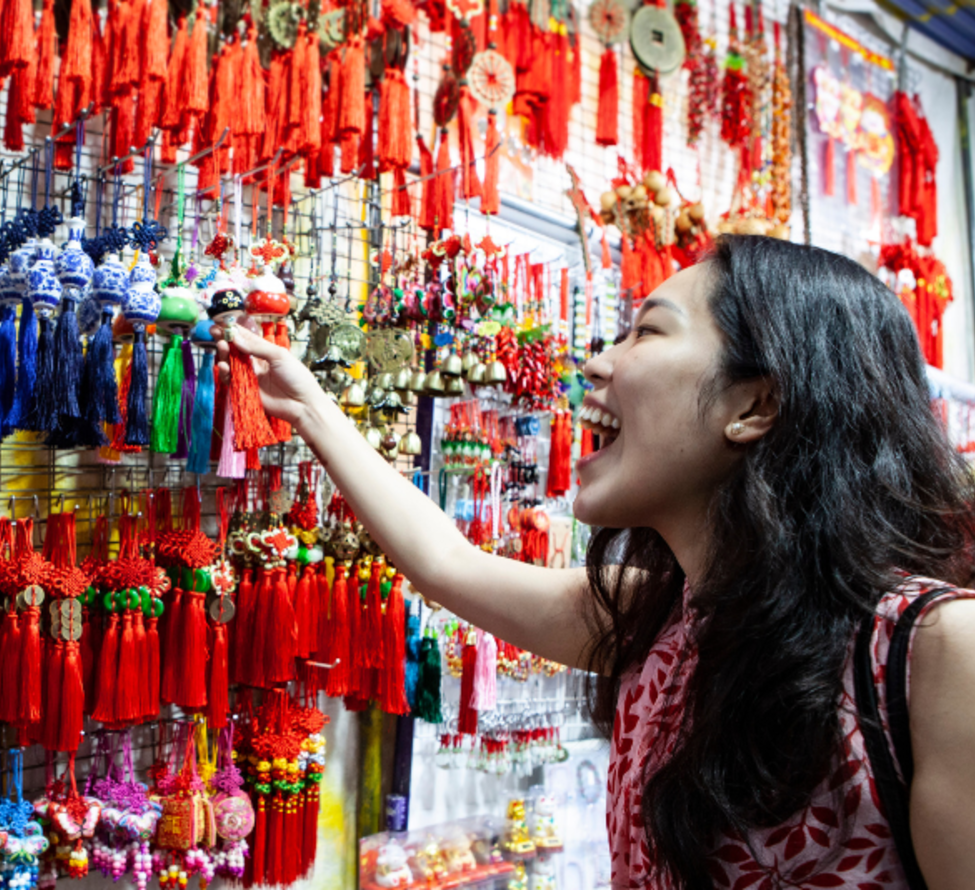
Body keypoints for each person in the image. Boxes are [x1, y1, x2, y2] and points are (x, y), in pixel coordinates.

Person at [224, 236, 975, 889]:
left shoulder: (933, 653)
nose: (597, 364)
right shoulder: (661, 623)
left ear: (753, 407)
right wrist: (311, 410)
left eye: (646, 333)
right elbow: (446, 563)